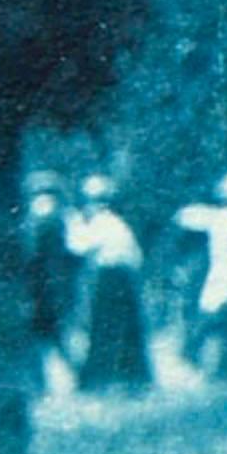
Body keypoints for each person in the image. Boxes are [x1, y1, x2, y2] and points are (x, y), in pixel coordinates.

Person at [173, 165, 227, 379]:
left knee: (216, 313)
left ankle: (207, 359)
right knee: (219, 313)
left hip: (226, 266)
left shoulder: (223, 216)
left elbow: (192, 216)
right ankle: (202, 356)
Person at [66, 175, 149, 392]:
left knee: (104, 329)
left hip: (109, 279)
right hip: (125, 279)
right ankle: (131, 378)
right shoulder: (118, 222)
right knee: (126, 329)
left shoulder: (100, 222)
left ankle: (100, 380)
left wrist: (73, 222)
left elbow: (79, 247)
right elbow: (137, 256)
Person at [22, 171, 77, 399]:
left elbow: (33, 252)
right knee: (55, 335)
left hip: (42, 283)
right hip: (55, 282)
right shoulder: (61, 217)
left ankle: (40, 384)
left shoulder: (40, 216)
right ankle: (73, 376)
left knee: (42, 335)